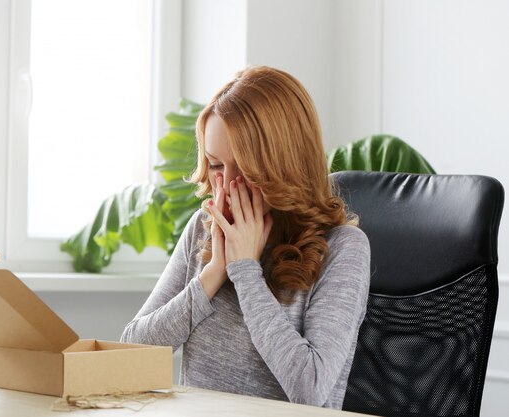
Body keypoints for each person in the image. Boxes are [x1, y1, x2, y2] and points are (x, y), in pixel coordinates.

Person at [120, 66, 370, 409]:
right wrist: (213, 273)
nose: (229, 186)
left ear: (287, 163)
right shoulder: (202, 229)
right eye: (216, 166)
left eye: (248, 170)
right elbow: (131, 354)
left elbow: (310, 389)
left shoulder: (343, 247)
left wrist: (246, 271)